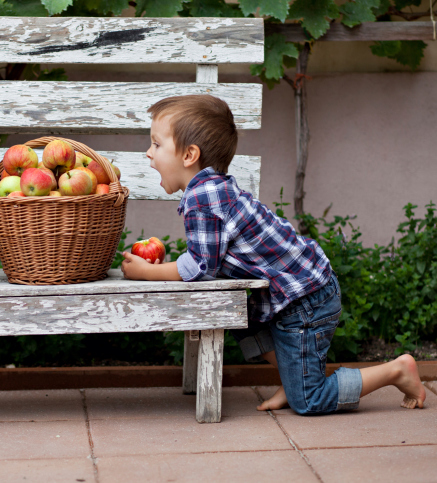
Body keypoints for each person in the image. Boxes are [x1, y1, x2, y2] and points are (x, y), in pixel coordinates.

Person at [120, 94, 426, 414]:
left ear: (189, 154)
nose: (148, 153)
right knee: (238, 317)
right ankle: (293, 378)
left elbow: (200, 267)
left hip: (305, 300)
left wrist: (147, 272)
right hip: (297, 293)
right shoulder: (214, 189)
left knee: (309, 401)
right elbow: (207, 256)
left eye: (156, 144)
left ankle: (396, 370)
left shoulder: (203, 197)